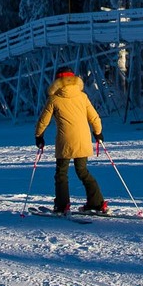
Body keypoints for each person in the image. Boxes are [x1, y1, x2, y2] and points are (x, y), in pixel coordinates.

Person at [34, 67, 107, 215]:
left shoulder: (54, 99)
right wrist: (98, 133)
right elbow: (94, 117)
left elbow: (43, 120)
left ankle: (62, 205)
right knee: (82, 171)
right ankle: (97, 202)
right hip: (83, 139)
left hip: (65, 140)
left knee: (61, 173)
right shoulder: (82, 96)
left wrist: (39, 136)